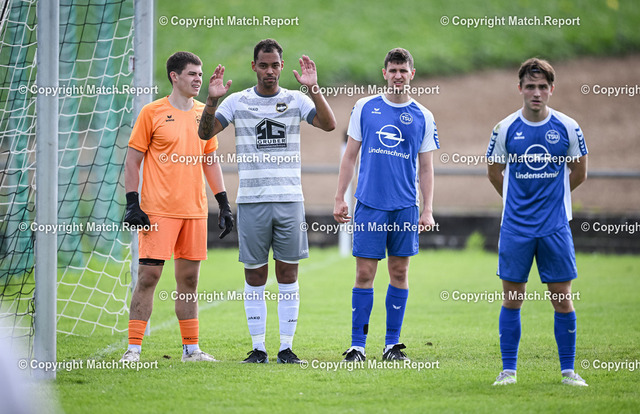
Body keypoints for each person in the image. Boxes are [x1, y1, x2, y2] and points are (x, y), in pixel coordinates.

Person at [198, 39, 336, 363]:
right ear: (254, 67)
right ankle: (258, 348)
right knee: (255, 276)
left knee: (288, 275)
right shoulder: (237, 101)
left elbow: (329, 125)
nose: (270, 71)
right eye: (264, 65)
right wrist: (211, 101)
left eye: (275, 65)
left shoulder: (295, 99)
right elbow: (204, 133)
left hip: (289, 200)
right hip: (251, 201)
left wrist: (313, 88)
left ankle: (286, 348)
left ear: (281, 66)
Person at [120, 51, 234, 363]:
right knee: (148, 278)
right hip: (158, 212)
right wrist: (132, 203)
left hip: (194, 212)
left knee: (190, 282)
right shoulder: (152, 112)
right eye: (192, 74)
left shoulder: (204, 114)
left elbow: (210, 159)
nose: (198, 79)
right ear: (175, 76)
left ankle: (191, 350)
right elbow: (132, 160)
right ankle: (133, 350)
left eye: (200, 74)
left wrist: (223, 203)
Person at [486, 58, 588, 386]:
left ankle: (568, 371)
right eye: (530, 86)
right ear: (520, 88)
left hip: (554, 225)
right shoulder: (504, 128)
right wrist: (516, 201)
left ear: (551, 89)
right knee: (512, 298)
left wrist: (554, 198)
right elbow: (494, 172)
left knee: (562, 297)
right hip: (515, 227)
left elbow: (580, 171)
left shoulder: (568, 127)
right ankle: (508, 371)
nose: (536, 93)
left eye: (543, 86)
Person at [333, 48, 439, 362]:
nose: (398, 76)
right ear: (384, 73)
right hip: (369, 205)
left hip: (405, 206)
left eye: (403, 70)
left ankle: (392, 345)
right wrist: (340, 197)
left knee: (399, 272)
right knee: (364, 273)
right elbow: (349, 157)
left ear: (412, 74)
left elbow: (426, 168)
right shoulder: (365, 107)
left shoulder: (423, 115)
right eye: (393, 70)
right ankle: (357, 346)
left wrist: (427, 209)